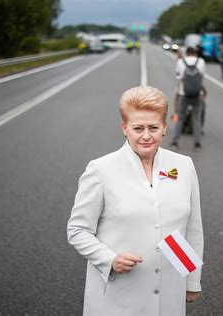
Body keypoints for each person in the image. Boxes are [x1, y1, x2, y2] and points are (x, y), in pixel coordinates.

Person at [67, 86, 204, 315]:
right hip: (118, 297)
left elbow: (193, 229)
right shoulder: (100, 170)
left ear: (164, 128)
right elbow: (77, 229)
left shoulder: (184, 165)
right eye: (138, 128)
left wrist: (192, 281)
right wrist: (109, 259)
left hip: (170, 293)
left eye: (153, 127)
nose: (146, 135)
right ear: (124, 128)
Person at [170, 46, 206, 151]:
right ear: (195, 53)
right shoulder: (201, 61)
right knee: (196, 119)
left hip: (183, 93)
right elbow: (202, 77)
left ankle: (175, 142)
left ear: (186, 53)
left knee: (180, 118)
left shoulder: (181, 61)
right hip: (197, 94)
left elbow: (178, 77)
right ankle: (197, 144)